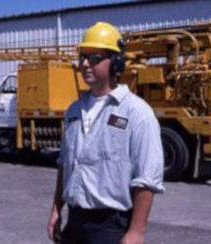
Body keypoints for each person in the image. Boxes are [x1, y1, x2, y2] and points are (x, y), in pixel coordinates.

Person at [48, 22, 165, 244]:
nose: (84, 64)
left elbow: (147, 178)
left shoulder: (137, 112)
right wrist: (56, 209)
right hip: (74, 222)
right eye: (82, 57)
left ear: (116, 63)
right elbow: (65, 164)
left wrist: (136, 232)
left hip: (110, 228)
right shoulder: (73, 111)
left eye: (94, 58)